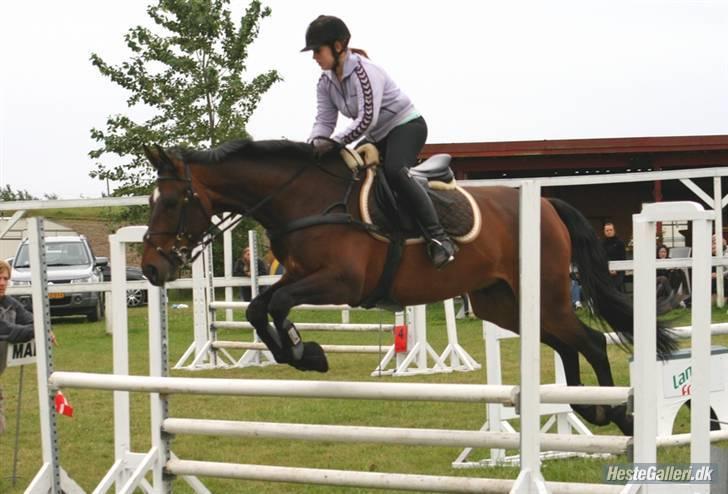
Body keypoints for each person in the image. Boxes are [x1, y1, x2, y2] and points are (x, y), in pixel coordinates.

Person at [302, 15, 456, 269]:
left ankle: (440, 239)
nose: (314, 57)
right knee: (346, 172)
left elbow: (366, 120)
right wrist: (313, 147)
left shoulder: (365, 71)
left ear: (338, 47)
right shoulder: (325, 82)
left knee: (395, 171)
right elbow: (324, 122)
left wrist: (335, 143)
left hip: (406, 126)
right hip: (377, 135)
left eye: (317, 50)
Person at [0, 259, 35, 434]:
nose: (2, 283)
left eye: (6, 279)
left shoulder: (9, 304)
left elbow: (34, 320)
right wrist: (35, 331)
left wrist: (45, 330)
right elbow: (8, 331)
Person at [602, 222, 626, 292]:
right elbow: (601, 258)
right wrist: (608, 269)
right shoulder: (601, 244)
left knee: (616, 288)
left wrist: (616, 269)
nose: (609, 232)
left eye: (610, 230)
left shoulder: (620, 243)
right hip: (606, 271)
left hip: (619, 272)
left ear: (614, 230)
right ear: (604, 232)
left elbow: (623, 258)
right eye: (607, 230)